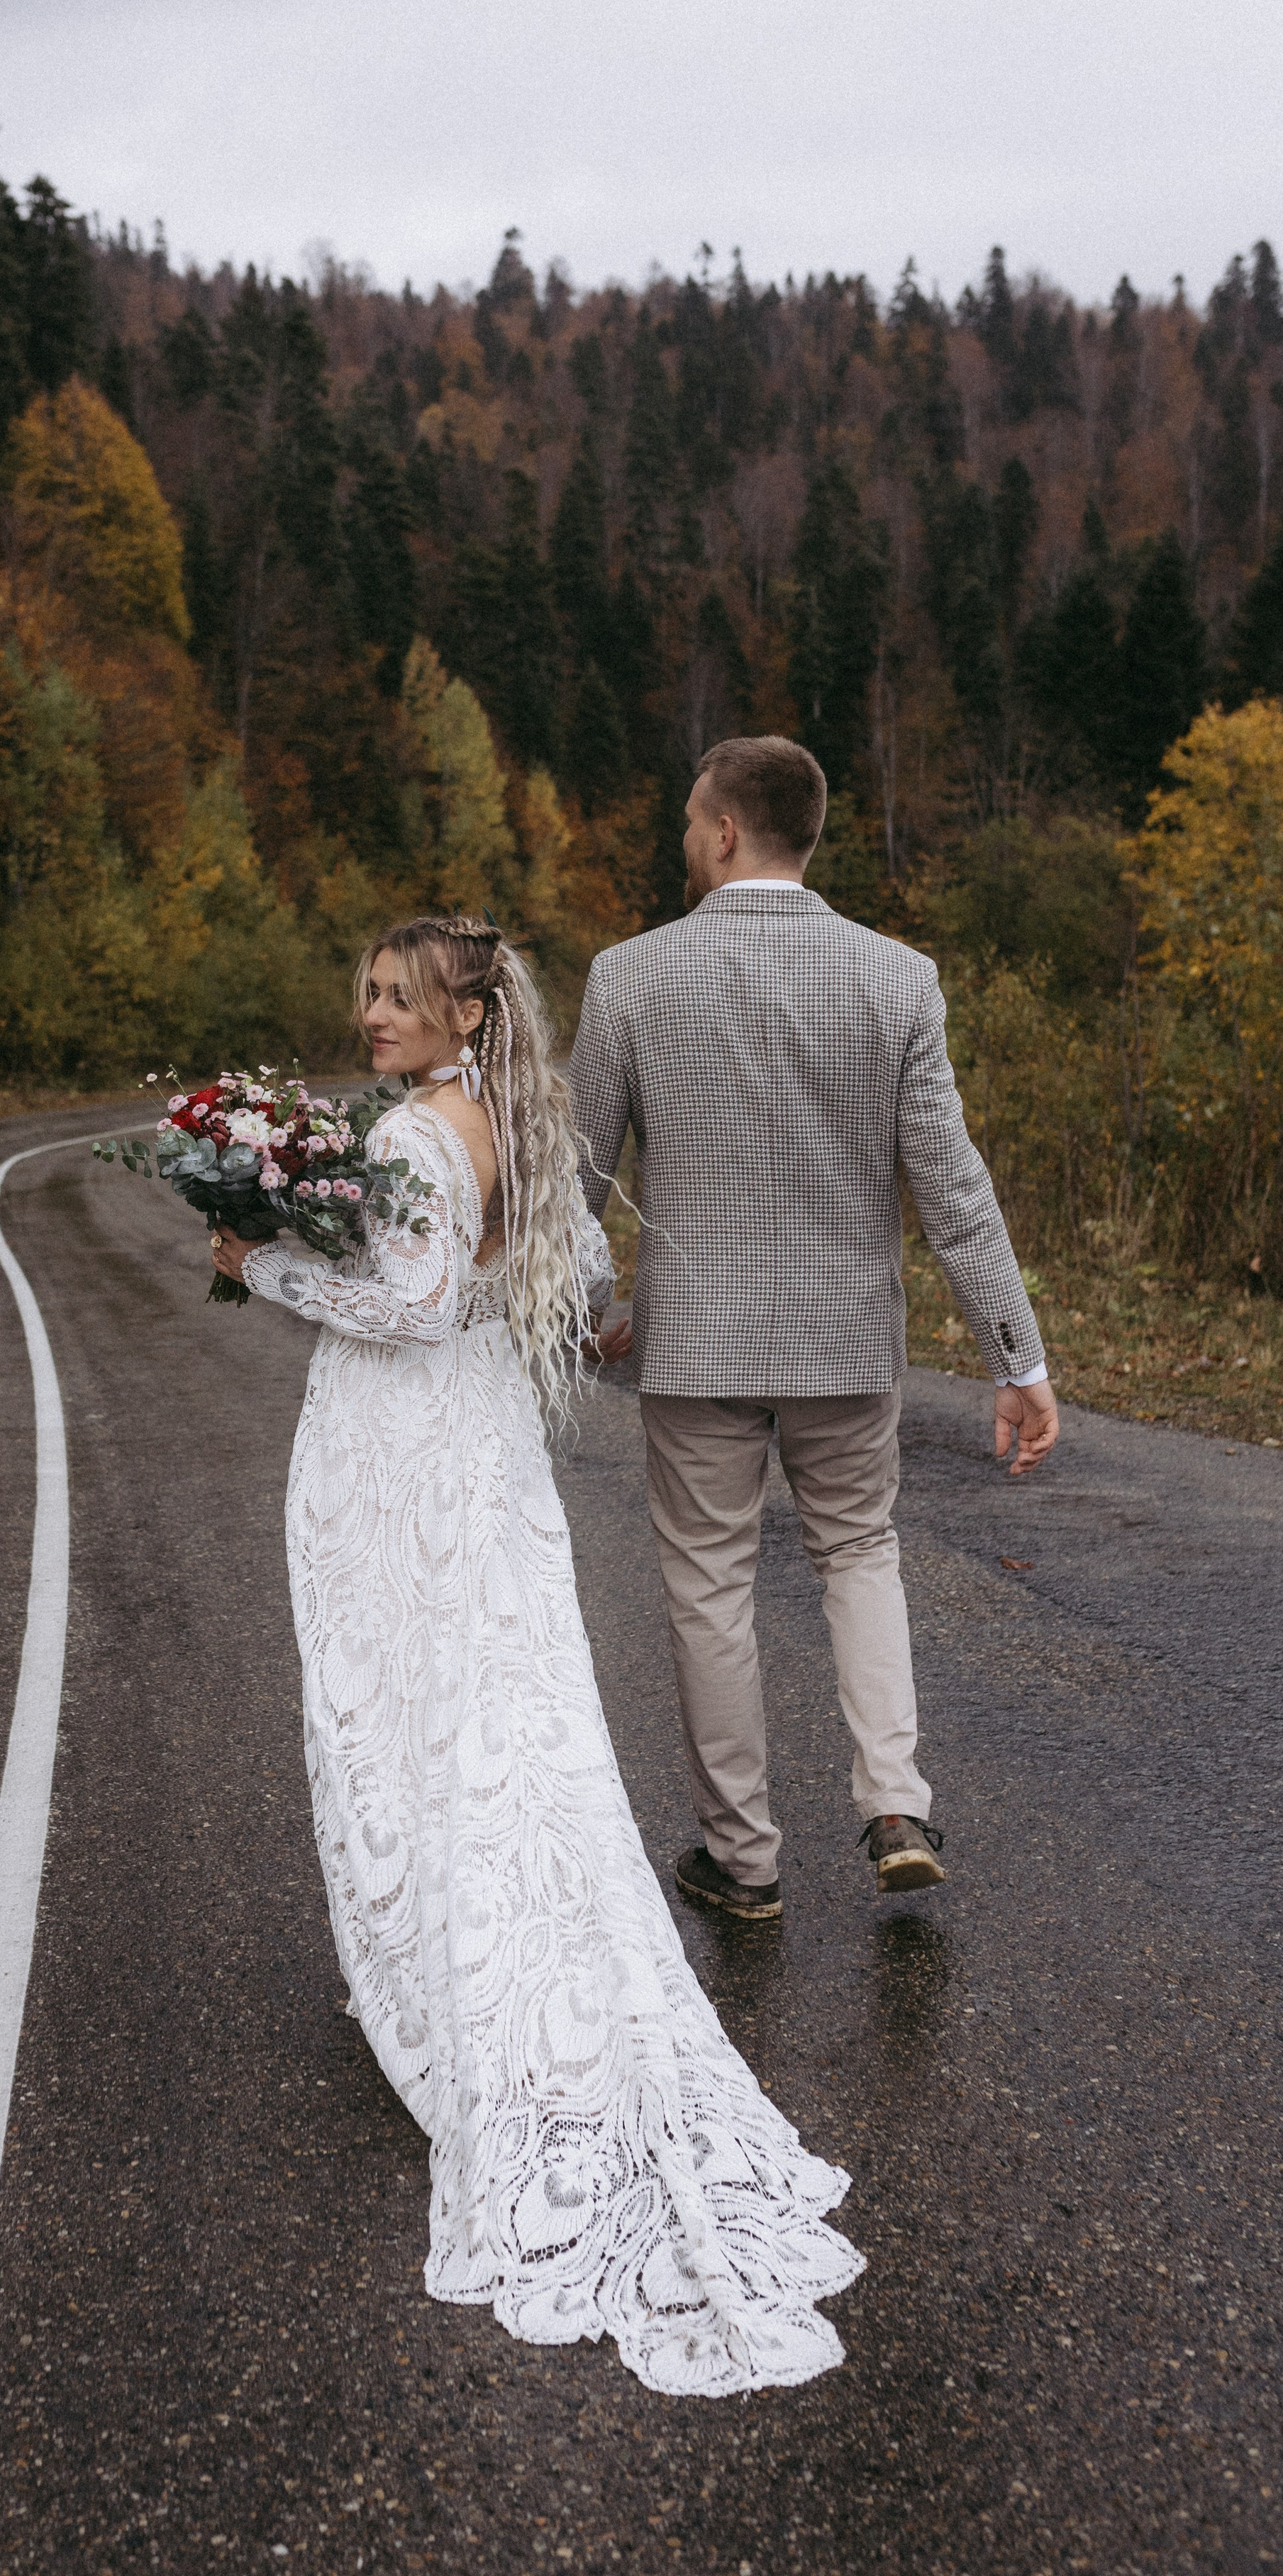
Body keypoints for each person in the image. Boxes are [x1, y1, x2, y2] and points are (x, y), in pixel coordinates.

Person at [211, 915, 864, 2395]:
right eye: (364, 989)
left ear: (461, 1013)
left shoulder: (424, 1141)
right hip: (480, 1453)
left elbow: (416, 1305)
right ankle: (441, 1954)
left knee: (409, 1714)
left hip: (404, 1455)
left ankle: (446, 1984)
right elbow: (541, 1285)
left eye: (398, 996)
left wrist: (263, 1263)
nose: (370, 1013)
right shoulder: (504, 1124)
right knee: (488, 1718)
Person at [569, 736, 1060, 1927]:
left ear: (727, 831)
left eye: (693, 820)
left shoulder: (629, 977)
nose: (687, 838)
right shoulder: (898, 979)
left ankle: (742, 1863)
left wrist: (586, 1318)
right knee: (859, 1555)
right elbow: (952, 1183)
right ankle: (894, 1803)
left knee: (709, 1589)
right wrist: (1019, 1357)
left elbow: (572, 1184)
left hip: (693, 1349)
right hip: (845, 1342)